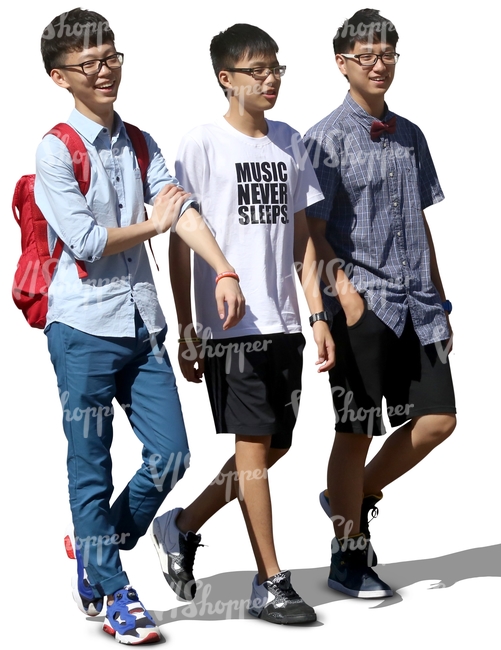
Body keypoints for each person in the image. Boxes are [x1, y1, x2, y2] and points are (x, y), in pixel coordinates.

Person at [37, 8, 244, 644]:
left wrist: (223, 270)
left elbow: (178, 209)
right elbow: (86, 241)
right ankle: (116, 591)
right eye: (89, 64)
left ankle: (97, 549)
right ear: (60, 77)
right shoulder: (55, 149)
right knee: (90, 465)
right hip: (82, 328)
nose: (105, 71)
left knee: (172, 452)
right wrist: (152, 224)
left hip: (141, 322)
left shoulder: (142, 142)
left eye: (112, 57)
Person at [150, 23, 334, 625]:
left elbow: (303, 241)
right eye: (258, 70)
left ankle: (181, 525)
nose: (271, 78)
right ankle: (270, 581)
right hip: (230, 325)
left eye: (277, 67)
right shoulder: (200, 143)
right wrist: (187, 325)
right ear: (226, 79)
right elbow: (182, 241)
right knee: (252, 448)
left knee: (272, 448)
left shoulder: (290, 142)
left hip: (285, 321)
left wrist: (317, 313)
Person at [303, 8, 457, 599]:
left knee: (439, 418)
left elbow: (418, 219)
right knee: (356, 427)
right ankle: (348, 554)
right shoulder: (323, 138)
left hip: (418, 303)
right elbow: (310, 233)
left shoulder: (411, 134)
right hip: (360, 304)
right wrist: (336, 296)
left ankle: (354, 496)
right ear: (341, 64)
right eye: (365, 56)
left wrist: (441, 300)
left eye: (387, 54)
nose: (378, 65)